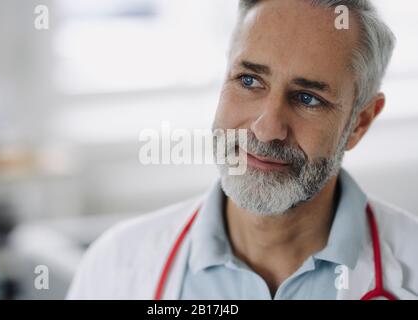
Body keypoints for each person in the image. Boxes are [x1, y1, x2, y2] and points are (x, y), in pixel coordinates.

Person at [67, 0, 418, 300]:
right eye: (249, 81)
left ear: (360, 122)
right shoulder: (115, 267)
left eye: (308, 98)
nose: (266, 130)